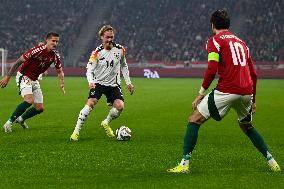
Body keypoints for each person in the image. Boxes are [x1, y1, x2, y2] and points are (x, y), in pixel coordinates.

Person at [167, 10, 281, 173]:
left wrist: (201, 93)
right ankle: (272, 161)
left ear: (212, 25)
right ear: (228, 25)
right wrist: (253, 99)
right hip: (247, 91)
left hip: (227, 89)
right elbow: (254, 74)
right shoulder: (242, 43)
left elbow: (212, 69)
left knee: (194, 119)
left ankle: (184, 164)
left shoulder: (214, 41)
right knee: (247, 126)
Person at [70, 25, 134, 141]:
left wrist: (128, 82)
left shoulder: (120, 50)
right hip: (98, 83)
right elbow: (89, 70)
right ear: (101, 37)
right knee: (91, 103)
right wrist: (91, 82)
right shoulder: (96, 53)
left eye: (111, 37)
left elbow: (124, 66)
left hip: (113, 84)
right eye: (107, 37)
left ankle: (106, 122)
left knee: (120, 106)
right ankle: (76, 132)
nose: (110, 40)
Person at [0, 32, 65, 132]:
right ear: (47, 40)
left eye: (57, 41)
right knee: (29, 100)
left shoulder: (55, 55)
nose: (55, 43)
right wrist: (7, 77)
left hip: (34, 80)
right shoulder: (37, 50)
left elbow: (60, 71)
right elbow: (19, 61)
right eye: (53, 41)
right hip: (24, 76)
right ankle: (8, 123)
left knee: (39, 108)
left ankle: (21, 119)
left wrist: (61, 83)